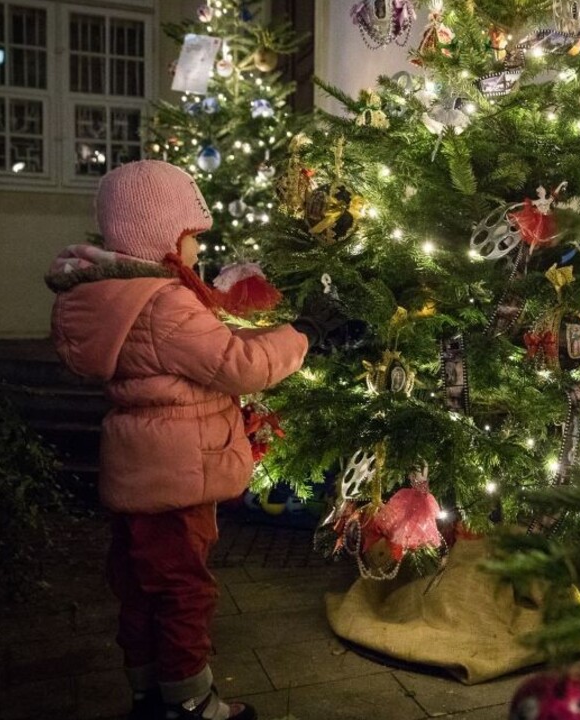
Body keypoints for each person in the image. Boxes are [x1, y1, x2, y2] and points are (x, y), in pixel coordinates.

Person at [46, 160, 360, 720]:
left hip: (137, 471)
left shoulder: (120, 296)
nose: (197, 252)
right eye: (191, 238)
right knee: (185, 591)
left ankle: (149, 694)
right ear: (161, 237)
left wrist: (274, 328)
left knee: (141, 590)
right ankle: (191, 702)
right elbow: (237, 363)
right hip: (177, 479)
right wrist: (305, 332)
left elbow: (210, 342)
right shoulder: (165, 303)